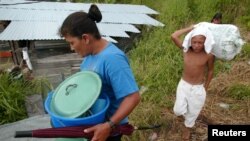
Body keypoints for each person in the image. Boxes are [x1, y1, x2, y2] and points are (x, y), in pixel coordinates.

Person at [59, 4, 140, 141]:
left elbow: (133, 97)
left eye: (72, 43)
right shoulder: (89, 55)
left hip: (108, 129)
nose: (71, 48)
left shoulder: (112, 59)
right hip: (94, 121)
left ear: (85, 38)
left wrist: (109, 125)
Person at [171, 25, 215, 140]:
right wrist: (190, 28)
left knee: (194, 110)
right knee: (178, 110)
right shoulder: (186, 50)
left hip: (198, 88)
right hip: (184, 85)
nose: (196, 45)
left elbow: (210, 71)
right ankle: (187, 118)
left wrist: (206, 87)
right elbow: (174, 36)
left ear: (205, 42)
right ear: (190, 40)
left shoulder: (208, 55)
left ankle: (188, 128)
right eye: (194, 42)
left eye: (200, 42)